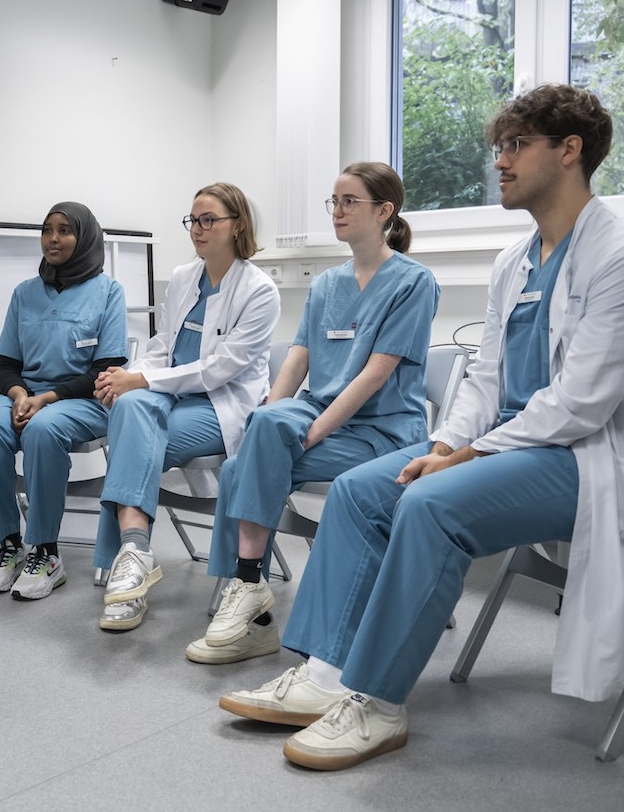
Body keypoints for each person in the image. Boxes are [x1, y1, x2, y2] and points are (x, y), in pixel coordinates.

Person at [218, 84, 624, 771]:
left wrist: (461, 456)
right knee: (356, 488)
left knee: (429, 502)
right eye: (499, 146)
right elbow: (483, 380)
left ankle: (375, 701)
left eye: (516, 145)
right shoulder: (512, 263)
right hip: (505, 444)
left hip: (586, 457)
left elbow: (583, 403)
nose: (500, 160)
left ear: (570, 150)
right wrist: (443, 444)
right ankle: (323, 675)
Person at [186, 163, 439, 665]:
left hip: (382, 433)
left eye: (351, 202)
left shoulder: (413, 283)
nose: (338, 211)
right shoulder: (326, 284)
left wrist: (303, 435)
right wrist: (272, 422)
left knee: (244, 464)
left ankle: (248, 596)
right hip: (316, 422)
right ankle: (247, 590)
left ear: (384, 212)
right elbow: (297, 359)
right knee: (254, 444)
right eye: (334, 201)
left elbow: (374, 376)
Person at [92, 182, 280, 631]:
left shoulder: (259, 290)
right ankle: (135, 552)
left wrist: (139, 379)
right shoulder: (182, 278)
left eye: (208, 219)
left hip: (220, 406)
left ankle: (128, 570)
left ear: (238, 226)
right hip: (172, 396)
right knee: (129, 409)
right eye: (192, 220)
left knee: (132, 441)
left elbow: (221, 369)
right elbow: (165, 345)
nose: (197, 228)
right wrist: (128, 378)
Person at [0, 202, 128, 599]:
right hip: (28, 395)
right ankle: (6, 543)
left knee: (42, 430)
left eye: (64, 230)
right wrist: (21, 394)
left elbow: (106, 370)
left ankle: (45, 551)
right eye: (47, 230)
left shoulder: (108, 292)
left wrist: (47, 399)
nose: (53, 239)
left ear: (85, 237)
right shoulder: (25, 293)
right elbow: (5, 366)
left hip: (85, 399)